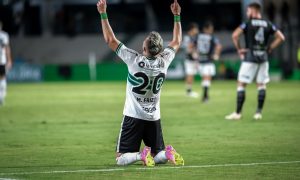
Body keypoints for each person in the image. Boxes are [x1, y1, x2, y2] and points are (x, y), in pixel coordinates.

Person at [96, 0, 184, 166]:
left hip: (133, 116)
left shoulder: (134, 59)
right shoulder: (165, 60)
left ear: (145, 48)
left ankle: (140, 156)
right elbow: (177, 41)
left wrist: (103, 13)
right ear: (159, 50)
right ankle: (167, 153)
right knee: (159, 156)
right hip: (153, 117)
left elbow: (110, 40)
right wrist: (177, 16)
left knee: (120, 158)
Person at [225, 2, 285, 120]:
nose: (247, 13)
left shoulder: (247, 23)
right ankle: (258, 113)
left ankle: (238, 113)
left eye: (248, 11)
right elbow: (281, 37)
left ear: (253, 11)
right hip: (263, 58)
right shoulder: (268, 24)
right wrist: (270, 48)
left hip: (250, 58)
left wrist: (239, 49)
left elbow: (235, 35)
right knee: (261, 85)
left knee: (241, 83)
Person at [196, 21, 222, 102]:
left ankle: (205, 95)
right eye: (210, 29)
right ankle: (205, 96)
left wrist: (195, 54)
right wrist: (216, 55)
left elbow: (191, 45)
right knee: (207, 78)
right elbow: (219, 46)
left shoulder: (198, 36)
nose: (211, 31)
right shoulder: (212, 37)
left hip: (200, 60)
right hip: (209, 60)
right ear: (206, 29)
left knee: (205, 78)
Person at [183, 23, 200, 98]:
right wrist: (194, 51)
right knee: (190, 74)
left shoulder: (194, 37)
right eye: (196, 29)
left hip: (193, 59)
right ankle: (189, 91)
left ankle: (189, 90)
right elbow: (188, 48)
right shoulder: (188, 37)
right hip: (189, 59)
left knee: (191, 74)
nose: (197, 30)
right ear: (192, 29)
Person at [0, 21, 12, 106]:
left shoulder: (4, 35)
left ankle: (2, 96)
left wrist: (9, 60)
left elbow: (7, 48)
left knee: (2, 78)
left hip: (2, 61)